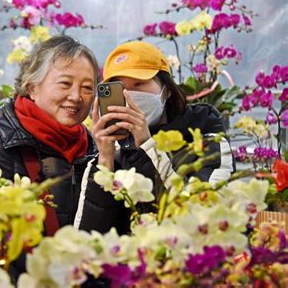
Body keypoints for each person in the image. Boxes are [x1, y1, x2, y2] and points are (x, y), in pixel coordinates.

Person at [0, 35, 130, 236]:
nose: (76, 97)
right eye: (64, 83)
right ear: (32, 87)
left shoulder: (94, 150)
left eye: (87, 88)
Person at [91, 40, 234, 187]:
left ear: (167, 90)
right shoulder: (116, 146)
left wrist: (148, 146)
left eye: (139, 83)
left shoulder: (206, 136)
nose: (129, 95)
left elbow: (197, 204)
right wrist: (104, 161)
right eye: (120, 89)